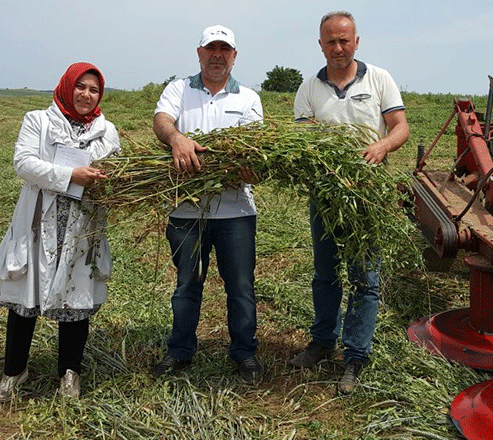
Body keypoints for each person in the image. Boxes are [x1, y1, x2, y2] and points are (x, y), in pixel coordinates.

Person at [291, 11, 410, 394]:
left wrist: (382, 145)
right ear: (321, 44)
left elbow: (400, 127)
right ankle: (323, 341)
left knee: (365, 278)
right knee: (325, 274)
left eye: (345, 40)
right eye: (331, 41)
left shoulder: (379, 79)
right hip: (325, 197)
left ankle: (355, 355)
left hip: (366, 195)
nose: (338, 48)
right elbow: (304, 140)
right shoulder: (309, 87)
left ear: (356, 41)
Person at [0, 62, 120, 402]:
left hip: (81, 225)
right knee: (23, 302)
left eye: (94, 90)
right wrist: (70, 176)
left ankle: (69, 374)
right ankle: (14, 372)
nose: (86, 95)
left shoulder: (107, 132)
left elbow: (115, 174)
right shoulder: (39, 120)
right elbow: (23, 162)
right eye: (81, 87)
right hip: (38, 221)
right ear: (67, 86)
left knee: (76, 300)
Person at [151, 25, 264, 383]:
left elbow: (256, 150)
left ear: (234, 56)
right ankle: (179, 351)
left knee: (241, 287)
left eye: (224, 49)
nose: (217, 55)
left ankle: (244, 353)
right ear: (199, 53)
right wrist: (177, 139)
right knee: (187, 285)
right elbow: (162, 120)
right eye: (210, 48)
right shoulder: (178, 89)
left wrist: (250, 167)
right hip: (186, 211)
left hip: (236, 212)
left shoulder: (248, 98)